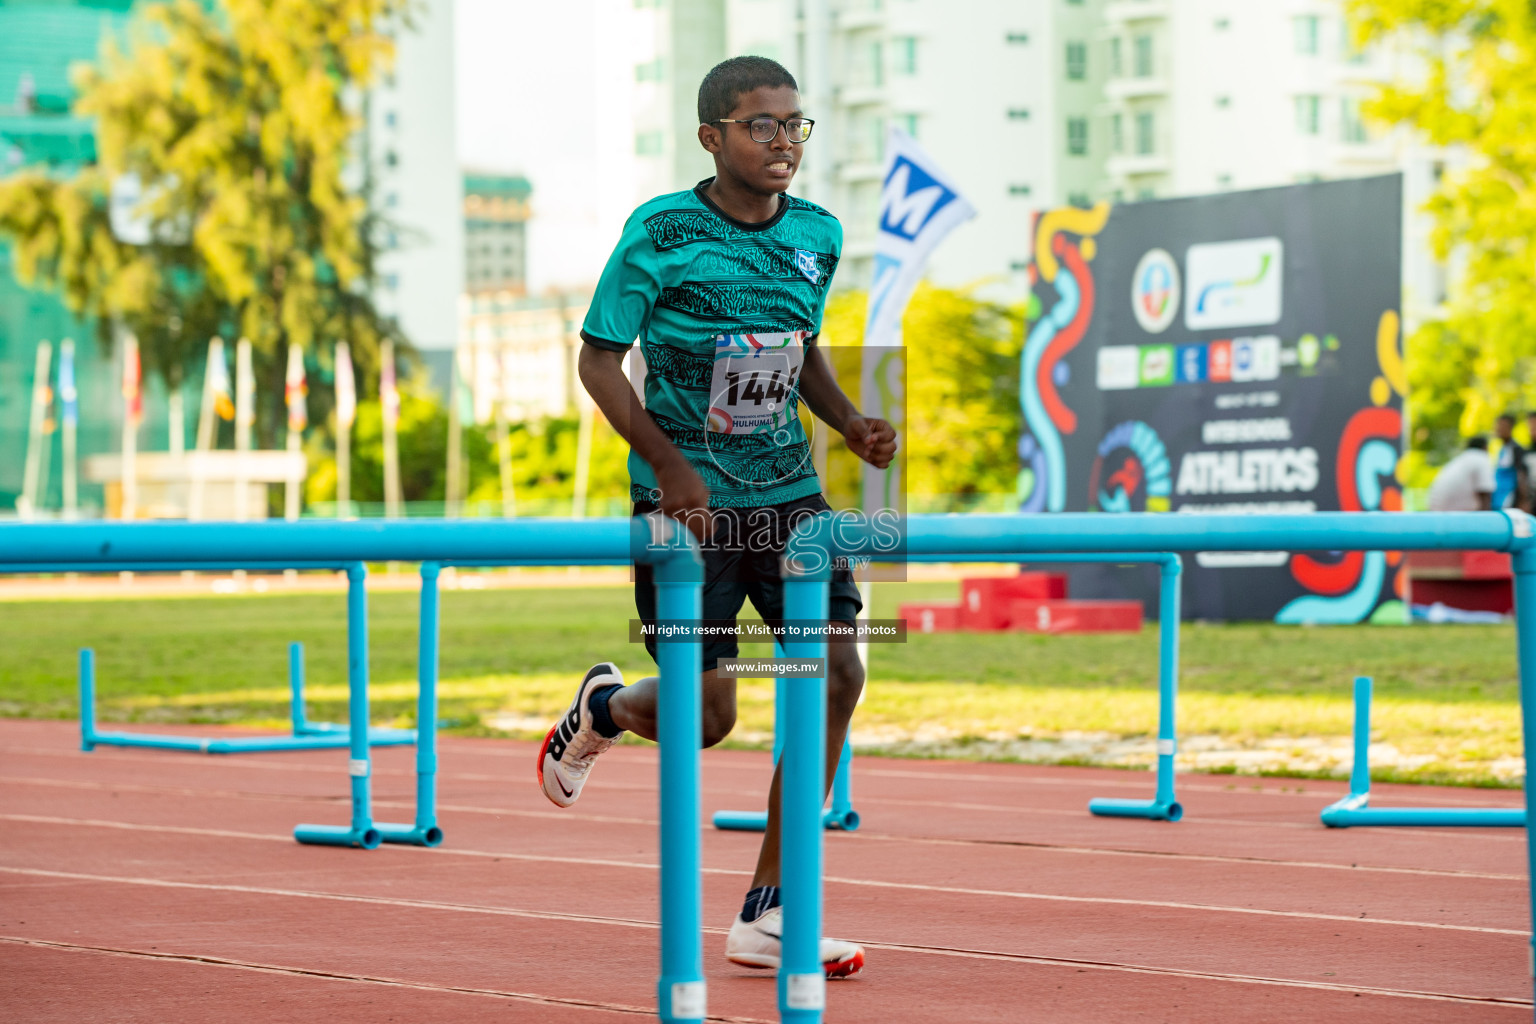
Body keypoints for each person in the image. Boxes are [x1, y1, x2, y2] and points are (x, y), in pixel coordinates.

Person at [535, 55, 897, 980]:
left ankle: (771, 911)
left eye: (795, 125)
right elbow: (598, 363)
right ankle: (605, 708)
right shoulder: (661, 231)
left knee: (840, 672)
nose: (783, 143)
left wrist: (849, 420)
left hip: (787, 497)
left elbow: (799, 348)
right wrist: (669, 468)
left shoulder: (817, 231)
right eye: (761, 126)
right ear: (713, 137)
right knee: (709, 714)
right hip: (685, 506)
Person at [1427, 436, 1494, 511]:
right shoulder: (1481, 458)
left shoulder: (1461, 459)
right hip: (1456, 514)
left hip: (1435, 510)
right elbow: (1485, 492)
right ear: (1485, 447)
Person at [1492, 413, 1526, 509]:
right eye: (1498, 426)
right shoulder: (1501, 450)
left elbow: (1521, 474)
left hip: (1509, 498)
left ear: (1510, 428)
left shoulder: (1516, 449)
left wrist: (1523, 500)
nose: (1499, 430)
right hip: (1498, 497)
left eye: (1503, 426)